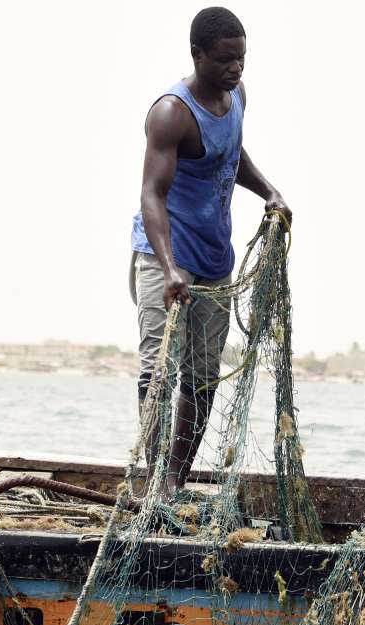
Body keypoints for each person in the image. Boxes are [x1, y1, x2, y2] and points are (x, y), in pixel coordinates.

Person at [129, 7, 291, 498]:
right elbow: (151, 195)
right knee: (157, 369)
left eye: (241, 59)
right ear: (197, 55)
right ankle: (152, 477)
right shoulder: (171, 113)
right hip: (164, 256)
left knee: (201, 375)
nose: (235, 69)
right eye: (224, 60)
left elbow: (231, 154)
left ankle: (175, 478)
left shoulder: (237, 95)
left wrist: (270, 192)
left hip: (214, 259)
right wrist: (171, 266)